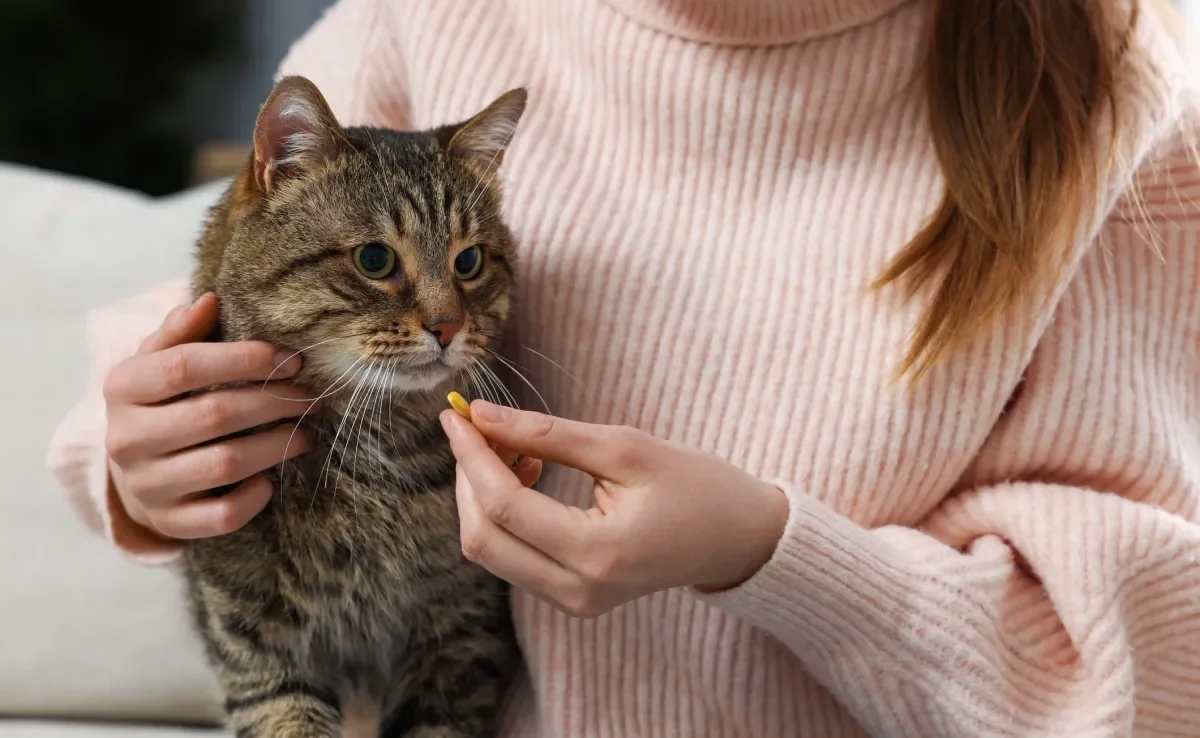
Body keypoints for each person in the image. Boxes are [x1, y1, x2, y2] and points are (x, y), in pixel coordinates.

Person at [46, 0, 1200, 735]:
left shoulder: (1122, 88)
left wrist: (771, 553)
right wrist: (142, 454)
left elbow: (1153, 664)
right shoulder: (425, 17)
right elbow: (227, 280)